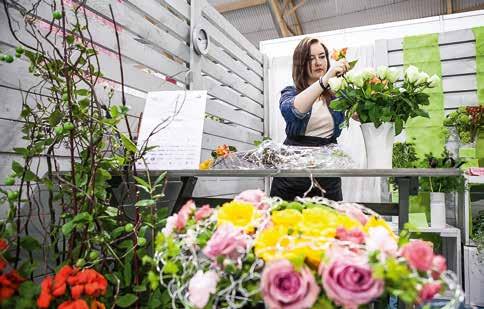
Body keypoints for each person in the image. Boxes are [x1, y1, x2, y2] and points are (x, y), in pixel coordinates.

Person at [270, 37, 350, 201]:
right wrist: (326, 79)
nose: (318, 62)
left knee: (330, 222)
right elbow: (294, 111)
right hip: (292, 174)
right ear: (301, 63)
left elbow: (362, 116)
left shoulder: (338, 93)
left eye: (322, 56)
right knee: (285, 222)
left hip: (327, 173)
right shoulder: (291, 92)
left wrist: (360, 87)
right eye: (310, 58)